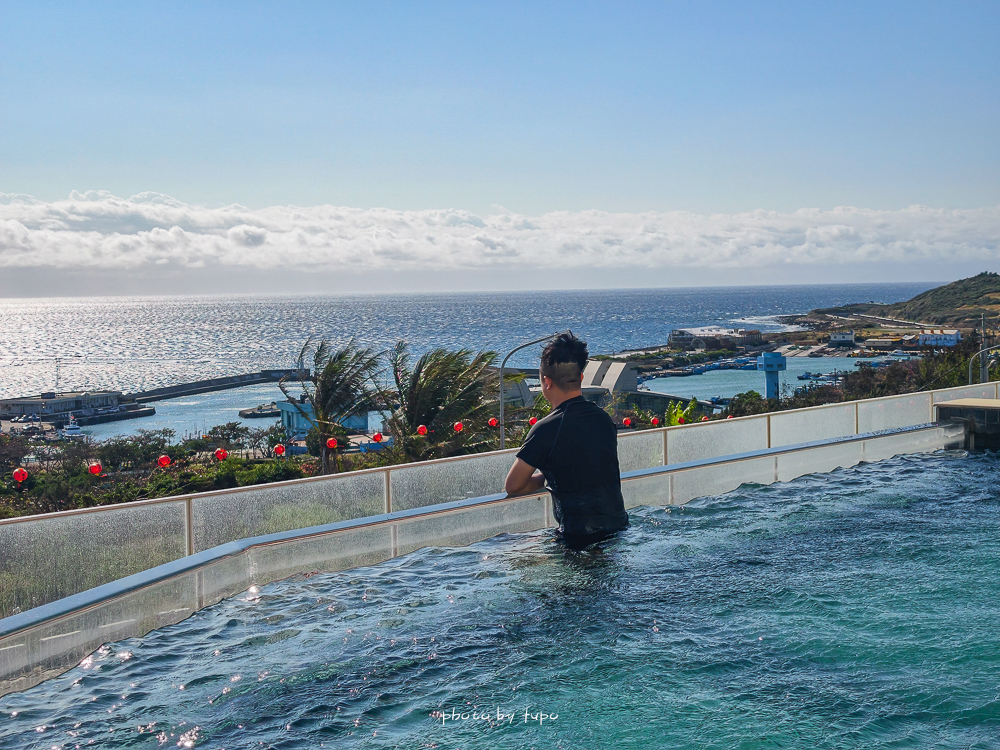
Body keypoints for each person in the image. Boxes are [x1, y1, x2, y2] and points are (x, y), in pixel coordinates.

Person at [504, 332, 629, 548]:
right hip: (619, 531)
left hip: (578, 538)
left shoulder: (545, 429)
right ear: (580, 378)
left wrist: (547, 477)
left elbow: (513, 486)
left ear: (546, 382)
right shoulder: (603, 419)